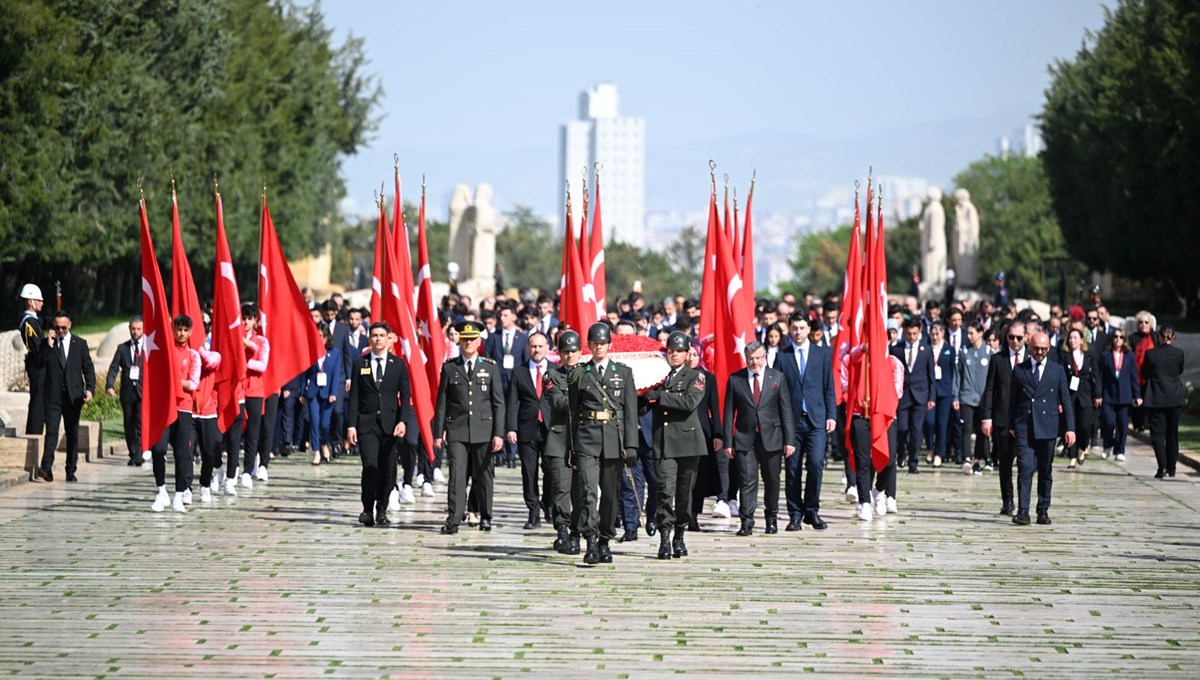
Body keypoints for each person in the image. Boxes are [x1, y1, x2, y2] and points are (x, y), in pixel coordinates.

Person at [567, 322, 638, 564]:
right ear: (589, 345)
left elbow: (630, 412)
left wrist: (631, 445)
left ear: (609, 345)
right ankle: (591, 540)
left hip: (613, 440)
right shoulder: (579, 373)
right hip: (586, 438)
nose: (598, 347)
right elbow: (573, 412)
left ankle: (606, 539)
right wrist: (572, 445)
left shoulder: (623, 373)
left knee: (610, 494)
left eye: (602, 343)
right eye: (594, 343)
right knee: (587, 492)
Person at [434, 321, 505, 534]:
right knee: (457, 475)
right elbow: (441, 404)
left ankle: (485, 515)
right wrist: (438, 433)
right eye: (464, 339)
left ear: (479, 341)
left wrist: (498, 433)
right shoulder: (450, 367)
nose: (468, 343)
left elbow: (498, 403)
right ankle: (454, 519)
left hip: (484, 430)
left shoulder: (490, 367)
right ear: (459, 340)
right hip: (457, 430)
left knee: (484, 475)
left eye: (472, 339)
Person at [642, 331, 707, 559]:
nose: (675, 355)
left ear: (687, 352)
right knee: (664, 492)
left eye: (679, 351)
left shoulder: (695, 376)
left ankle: (679, 536)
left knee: (684, 495)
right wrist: (641, 393)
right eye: (671, 351)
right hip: (664, 443)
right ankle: (664, 539)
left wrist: (659, 397)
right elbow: (645, 405)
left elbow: (689, 402)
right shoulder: (659, 376)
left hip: (688, 443)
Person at [724, 342, 795, 536]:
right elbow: (729, 413)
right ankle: (746, 521)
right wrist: (728, 442)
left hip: (772, 438)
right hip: (745, 438)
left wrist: (789, 441)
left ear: (764, 358)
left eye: (758, 358)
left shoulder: (777, 378)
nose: (754, 362)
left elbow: (786, 411)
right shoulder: (735, 379)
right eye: (751, 358)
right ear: (746, 358)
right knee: (747, 481)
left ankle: (771, 518)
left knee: (772, 480)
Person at [345, 322, 412, 527]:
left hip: (390, 425)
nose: (378, 339)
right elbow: (354, 396)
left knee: (388, 469)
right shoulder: (360, 364)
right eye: (374, 335)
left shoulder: (398, 365)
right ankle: (367, 508)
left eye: (382, 335)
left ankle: (382, 509)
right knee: (370, 466)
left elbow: (406, 395)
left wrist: (403, 421)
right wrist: (351, 426)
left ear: (389, 339)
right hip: (367, 424)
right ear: (370, 339)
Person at [775, 313, 836, 531]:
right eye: (794, 328)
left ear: (809, 329)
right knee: (792, 470)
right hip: (792, 422)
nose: (798, 332)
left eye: (802, 328)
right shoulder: (783, 357)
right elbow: (777, 392)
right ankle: (795, 514)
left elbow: (829, 386)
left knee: (816, 464)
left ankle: (812, 511)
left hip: (816, 420)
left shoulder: (822, 354)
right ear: (789, 330)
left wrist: (831, 415)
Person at [1007, 332, 1075, 526]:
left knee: (1045, 470)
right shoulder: (1020, 370)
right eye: (1036, 348)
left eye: (1043, 349)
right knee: (1025, 468)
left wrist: (1070, 428)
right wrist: (1011, 424)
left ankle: (1043, 510)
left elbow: (1066, 401)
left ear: (1048, 349)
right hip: (1024, 426)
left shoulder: (1057, 370)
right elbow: (1013, 400)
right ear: (1030, 347)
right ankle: (1023, 511)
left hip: (1048, 427)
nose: (1039, 352)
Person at [34, 310, 95, 483]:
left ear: (69, 325)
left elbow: (88, 368)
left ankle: (70, 470)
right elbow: (39, 364)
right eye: (56, 327)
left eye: (63, 328)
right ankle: (46, 468)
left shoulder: (80, 344)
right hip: (53, 396)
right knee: (51, 432)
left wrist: (90, 389)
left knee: (72, 433)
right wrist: (48, 345)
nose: (60, 331)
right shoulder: (47, 344)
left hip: (73, 396)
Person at [149, 315, 200, 512]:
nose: (181, 333)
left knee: (182, 453)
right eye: (178, 329)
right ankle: (161, 491)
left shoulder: (194, 355)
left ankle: (179, 495)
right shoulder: (165, 352)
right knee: (159, 448)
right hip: (165, 407)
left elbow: (193, 383)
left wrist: (173, 381)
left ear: (190, 332)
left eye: (185, 330)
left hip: (184, 408)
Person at [505, 331, 555, 529]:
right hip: (527, 429)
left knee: (551, 470)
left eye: (540, 346)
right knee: (529, 472)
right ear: (528, 348)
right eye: (533, 346)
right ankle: (533, 512)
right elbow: (512, 403)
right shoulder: (519, 372)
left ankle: (548, 504)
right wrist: (511, 428)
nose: (537, 350)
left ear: (547, 348)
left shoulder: (557, 371)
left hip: (551, 430)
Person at [981, 320, 1027, 516]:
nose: (1015, 341)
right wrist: (987, 417)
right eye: (1011, 337)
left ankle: (1024, 502)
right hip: (1002, 418)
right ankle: (1008, 500)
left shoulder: (1031, 359)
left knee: (1026, 463)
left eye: (1018, 337)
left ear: (1025, 337)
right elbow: (990, 388)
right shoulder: (998, 359)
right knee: (1005, 462)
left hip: (1025, 418)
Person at [543, 330, 582, 553]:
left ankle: (577, 532)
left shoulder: (588, 375)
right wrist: (584, 398)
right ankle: (562, 531)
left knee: (581, 491)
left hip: (583, 440)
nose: (570, 355)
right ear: (559, 353)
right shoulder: (552, 375)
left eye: (573, 351)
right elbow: (558, 402)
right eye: (565, 352)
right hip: (559, 440)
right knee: (561, 489)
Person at [890, 318, 936, 475]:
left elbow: (931, 374)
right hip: (902, 395)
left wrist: (932, 397)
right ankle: (901, 451)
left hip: (921, 395)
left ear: (920, 331)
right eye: (908, 334)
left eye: (914, 333)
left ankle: (913, 461)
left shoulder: (927, 350)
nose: (911, 337)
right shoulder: (896, 349)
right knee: (902, 428)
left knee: (916, 430)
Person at [1141, 326, 1184, 479]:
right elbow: (1179, 371)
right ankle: (1171, 468)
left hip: (1156, 398)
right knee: (1172, 434)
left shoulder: (1151, 354)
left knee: (1158, 434)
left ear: (1159, 337)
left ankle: (1162, 467)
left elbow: (1145, 373)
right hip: (1174, 398)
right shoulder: (1179, 354)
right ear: (1173, 337)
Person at [953, 322, 991, 475]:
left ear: (980, 333)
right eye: (967, 333)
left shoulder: (989, 352)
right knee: (966, 428)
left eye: (972, 333)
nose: (969, 336)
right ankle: (967, 458)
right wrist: (956, 395)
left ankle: (977, 460)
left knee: (982, 430)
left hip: (983, 398)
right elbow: (958, 375)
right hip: (966, 397)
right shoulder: (963, 352)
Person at [302, 325, 342, 466]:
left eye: (321, 336)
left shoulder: (335, 353)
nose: (319, 339)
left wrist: (334, 392)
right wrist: (302, 392)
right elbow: (305, 373)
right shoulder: (310, 351)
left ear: (326, 337)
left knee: (325, 424)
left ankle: (325, 443)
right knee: (314, 422)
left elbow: (336, 373)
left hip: (327, 392)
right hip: (313, 391)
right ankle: (317, 451)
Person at [1098, 329, 1141, 462]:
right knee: (1109, 422)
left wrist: (1137, 395)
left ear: (1124, 339)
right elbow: (1100, 376)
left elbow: (1134, 376)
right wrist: (1098, 394)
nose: (1118, 339)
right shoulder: (1105, 355)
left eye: (1121, 337)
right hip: (1108, 395)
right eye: (1115, 336)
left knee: (1122, 424)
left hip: (1124, 395)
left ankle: (1120, 450)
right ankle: (1108, 444)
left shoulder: (1130, 356)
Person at [106, 316, 144, 466]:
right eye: (133, 329)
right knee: (129, 423)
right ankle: (133, 453)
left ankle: (139, 454)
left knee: (140, 423)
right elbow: (114, 368)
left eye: (138, 329)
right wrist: (110, 385)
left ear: (143, 329)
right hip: (127, 393)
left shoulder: (148, 348)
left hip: (142, 392)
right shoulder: (122, 348)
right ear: (129, 329)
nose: (135, 332)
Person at [239, 303, 270, 486]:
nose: (245, 322)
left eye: (249, 319)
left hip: (255, 391)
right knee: (234, 431)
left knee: (252, 432)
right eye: (243, 318)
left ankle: (248, 469)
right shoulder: (234, 339)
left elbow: (262, 366)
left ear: (255, 321)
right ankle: (231, 468)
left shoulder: (262, 341)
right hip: (238, 389)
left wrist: (244, 363)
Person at [1060, 328, 1099, 469]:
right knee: (1071, 426)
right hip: (1070, 395)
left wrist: (1098, 394)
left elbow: (1095, 374)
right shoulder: (1065, 355)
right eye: (1070, 338)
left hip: (1085, 394)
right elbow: (1061, 377)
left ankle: (1082, 447)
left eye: (1075, 338)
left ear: (1082, 339)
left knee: (1085, 425)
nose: (1072, 341)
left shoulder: (1088, 355)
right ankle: (1072, 456)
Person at [18, 283, 46, 436]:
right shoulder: (29, 322)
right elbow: (37, 347)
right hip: (37, 365)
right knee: (38, 401)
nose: (42, 302)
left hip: (37, 365)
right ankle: (34, 433)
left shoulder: (33, 320)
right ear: (30, 301)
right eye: (38, 300)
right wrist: (49, 343)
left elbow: (44, 321)